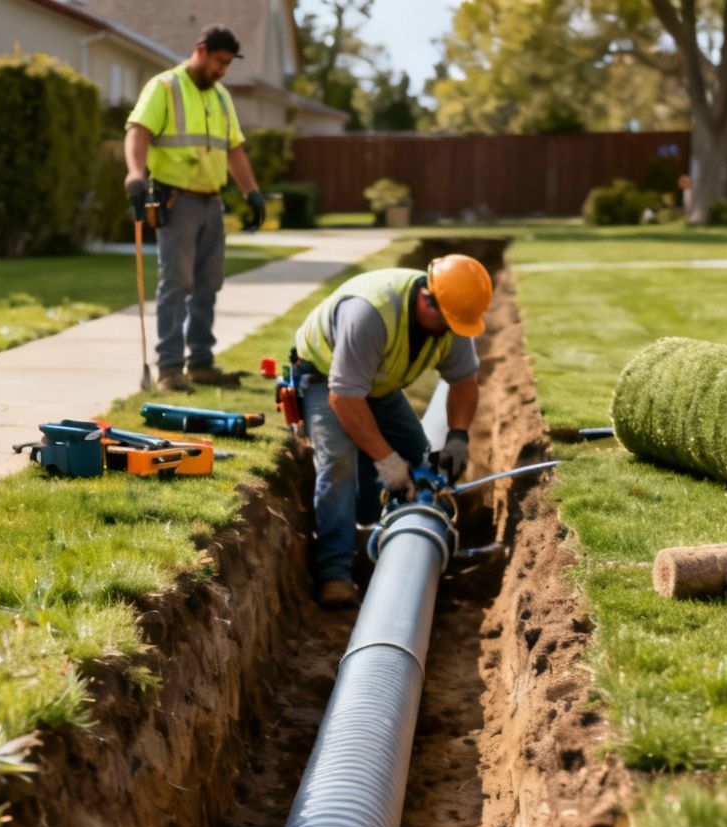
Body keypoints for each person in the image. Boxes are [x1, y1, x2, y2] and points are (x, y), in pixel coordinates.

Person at [292, 255, 495, 610]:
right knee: (340, 462)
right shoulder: (370, 314)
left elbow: (463, 382)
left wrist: (458, 437)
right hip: (327, 379)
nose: (452, 331)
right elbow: (345, 397)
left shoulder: (452, 318)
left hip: (378, 386)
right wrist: (385, 460)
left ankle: (391, 546)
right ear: (426, 300)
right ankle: (335, 572)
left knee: (420, 463)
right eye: (447, 321)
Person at [123, 24, 265, 392]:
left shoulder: (220, 97)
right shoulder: (165, 87)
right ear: (200, 50)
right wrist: (135, 175)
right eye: (219, 62)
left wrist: (252, 192)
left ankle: (200, 362)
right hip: (176, 200)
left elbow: (234, 149)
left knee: (209, 284)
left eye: (228, 65)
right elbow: (138, 131)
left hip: (211, 202)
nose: (222, 70)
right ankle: (170, 368)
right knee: (176, 284)